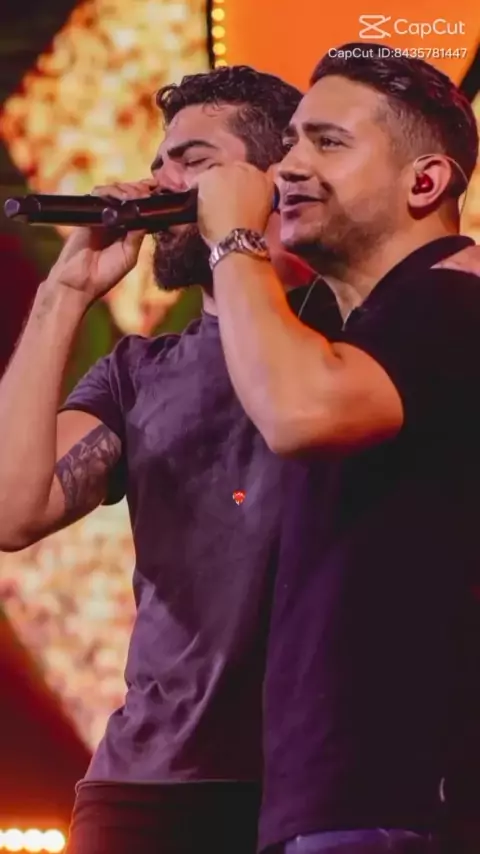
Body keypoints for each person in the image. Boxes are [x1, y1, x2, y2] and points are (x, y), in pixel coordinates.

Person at [0, 62, 478, 854]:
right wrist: (65, 293)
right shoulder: (140, 371)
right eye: (159, 161)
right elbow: (11, 510)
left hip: (321, 779)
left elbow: (306, 410)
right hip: (151, 783)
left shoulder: (359, 342)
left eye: (194, 162)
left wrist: (238, 241)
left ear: (270, 183)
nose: (160, 182)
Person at [193, 47, 480, 853]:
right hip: (344, 800)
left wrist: (236, 240)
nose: (287, 165)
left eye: (328, 142)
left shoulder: (456, 302)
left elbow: (299, 413)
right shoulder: (368, 327)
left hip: (409, 802)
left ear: (426, 182)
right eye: (290, 141)